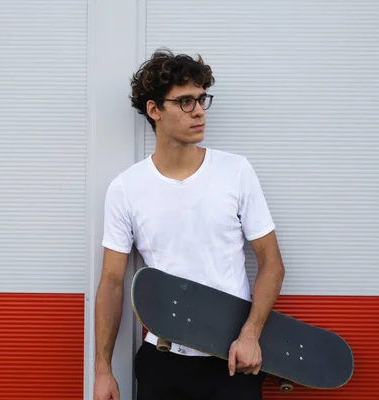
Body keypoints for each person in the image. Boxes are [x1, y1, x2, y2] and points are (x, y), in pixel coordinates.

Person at [93, 48, 286, 400]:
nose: (198, 111)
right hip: (163, 361)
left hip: (231, 360)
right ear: (154, 110)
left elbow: (271, 262)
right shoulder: (126, 188)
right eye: (184, 102)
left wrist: (251, 334)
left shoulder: (236, 172)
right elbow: (111, 282)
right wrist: (103, 370)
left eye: (201, 99)